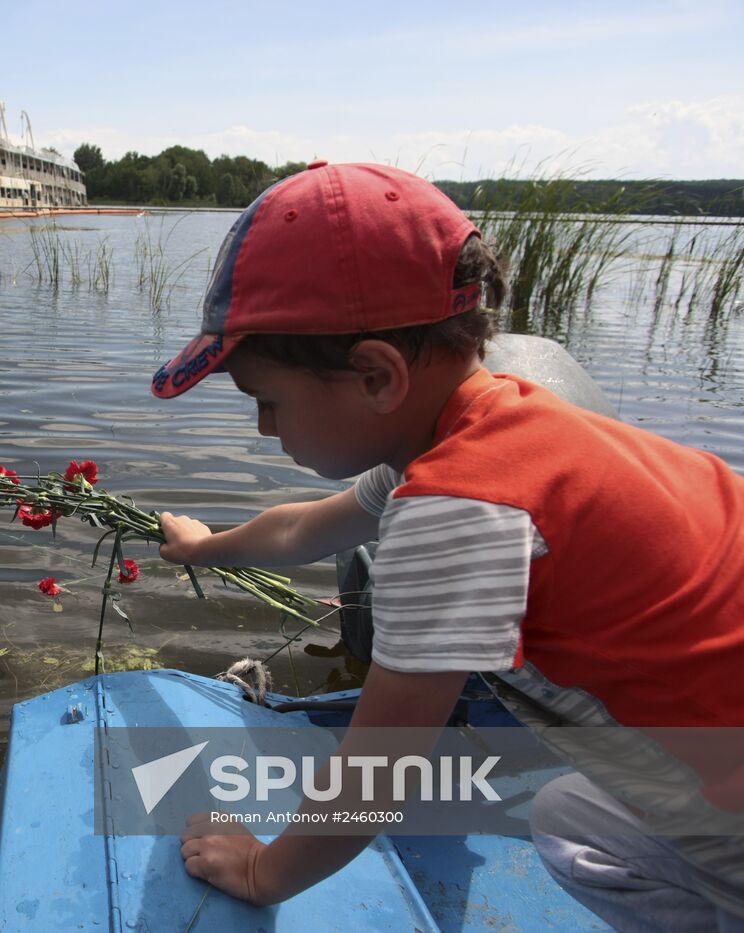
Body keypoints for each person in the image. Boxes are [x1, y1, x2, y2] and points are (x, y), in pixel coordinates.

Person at [150, 161, 744, 931]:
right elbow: (306, 526)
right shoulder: (494, 430)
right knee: (570, 814)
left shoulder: (456, 510)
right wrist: (208, 546)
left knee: (582, 824)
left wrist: (265, 871)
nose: (266, 428)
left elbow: (382, 765)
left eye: (268, 401)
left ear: (376, 374)